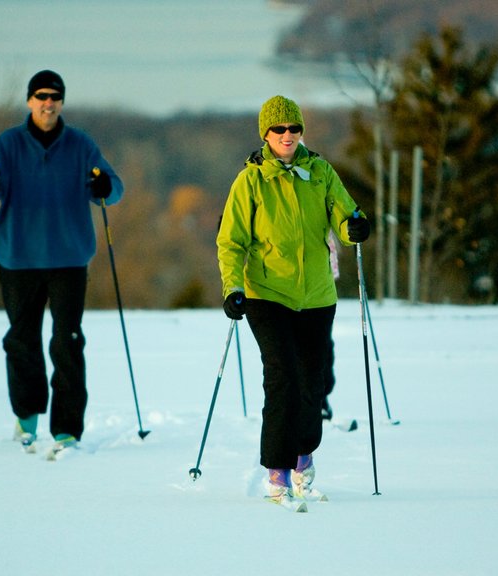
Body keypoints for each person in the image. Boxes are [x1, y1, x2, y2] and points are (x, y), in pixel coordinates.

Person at [216, 95, 370, 509]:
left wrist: (354, 225)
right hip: (267, 295)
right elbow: (230, 242)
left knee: (311, 384)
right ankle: (276, 473)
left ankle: (304, 466)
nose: (287, 136)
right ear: (265, 134)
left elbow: (344, 213)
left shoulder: (319, 172)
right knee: (282, 379)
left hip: (317, 296)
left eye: (294, 128)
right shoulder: (250, 181)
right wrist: (233, 288)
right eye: (279, 129)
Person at [0, 70, 123, 454]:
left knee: (67, 341)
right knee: (22, 340)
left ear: (62, 102)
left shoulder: (80, 144)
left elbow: (112, 188)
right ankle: (28, 414)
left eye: (54, 96)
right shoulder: (9, 144)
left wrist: (103, 186)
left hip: (68, 257)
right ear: (29, 101)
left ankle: (66, 428)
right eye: (40, 96)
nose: (47, 103)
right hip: (18, 256)